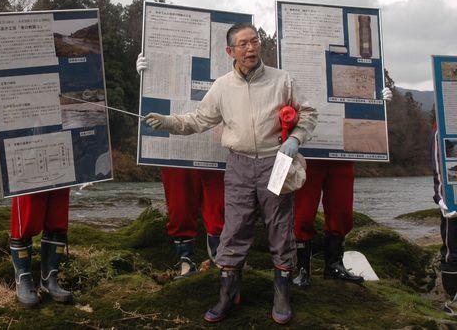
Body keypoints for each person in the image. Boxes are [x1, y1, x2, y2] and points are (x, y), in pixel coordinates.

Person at [143, 23, 317, 324]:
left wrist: (295, 139)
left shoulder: (282, 80)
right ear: (230, 51)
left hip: (276, 163)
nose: (251, 48)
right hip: (237, 164)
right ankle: (228, 294)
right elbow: (198, 119)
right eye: (243, 44)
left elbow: (309, 113)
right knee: (234, 227)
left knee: (280, 226)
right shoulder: (222, 86)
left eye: (255, 42)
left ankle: (282, 294)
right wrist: (167, 121)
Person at [136, 55, 226, 279]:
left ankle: (221, 259)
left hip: (217, 146)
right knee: (179, 207)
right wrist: (146, 76)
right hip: (176, 146)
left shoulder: (228, 56)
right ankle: (185, 262)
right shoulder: (165, 51)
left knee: (220, 207)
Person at [292, 87, 392, 287]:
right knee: (302, 213)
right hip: (308, 154)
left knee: (342, 212)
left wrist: (377, 103)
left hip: (343, 155)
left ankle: (334, 265)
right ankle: (301, 268)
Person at [0, 98, 74, 308]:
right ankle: (23, 279)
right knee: (26, 219)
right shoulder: (16, 65)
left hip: (62, 150)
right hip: (27, 155)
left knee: (58, 219)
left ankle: (49, 279)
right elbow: (8, 97)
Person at [431, 123, 457, 316]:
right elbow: (440, 168)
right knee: (453, 250)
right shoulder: (443, 128)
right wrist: (442, 198)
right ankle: (454, 298)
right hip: (453, 201)